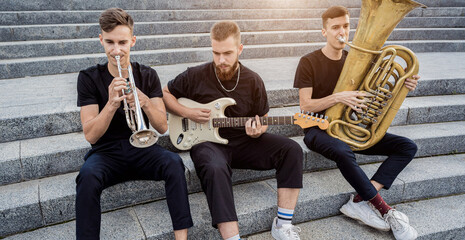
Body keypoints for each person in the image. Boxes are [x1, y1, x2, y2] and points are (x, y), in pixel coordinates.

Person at [163, 20, 303, 240]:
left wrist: (258, 130)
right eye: (216, 53)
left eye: (227, 53)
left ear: (240, 49)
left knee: (292, 149)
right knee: (215, 166)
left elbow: (262, 118)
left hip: (244, 143)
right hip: (208, 144)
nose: (221, 60)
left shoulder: (253, 80)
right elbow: (165, 93)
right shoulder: (195, 75)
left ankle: (283, 224)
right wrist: (186, 112)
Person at [293, 6, 420, 240]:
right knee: (343, 150)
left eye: (346, 26)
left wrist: (403, 84)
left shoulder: (358, 59)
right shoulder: (308, 61)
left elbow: (375, 94)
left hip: (348, 129)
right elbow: (306, 106)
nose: (342, 32)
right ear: (324, 32)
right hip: (317, 129)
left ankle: (361, 200)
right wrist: (338, 97)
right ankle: (386, 211)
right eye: (335, 27)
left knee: (407, 147)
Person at [75, 8, 193, 240]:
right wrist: (111, 104)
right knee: (86, 177)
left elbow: (161, 127)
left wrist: (145, 101)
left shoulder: (148, 75)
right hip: (106, 152)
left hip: (143, 147)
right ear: (101, 40)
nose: (116, 50)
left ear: (133, 41)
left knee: (173, 163)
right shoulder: (88, 78)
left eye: (122, 42)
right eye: (110, 42)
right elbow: (90, 135)